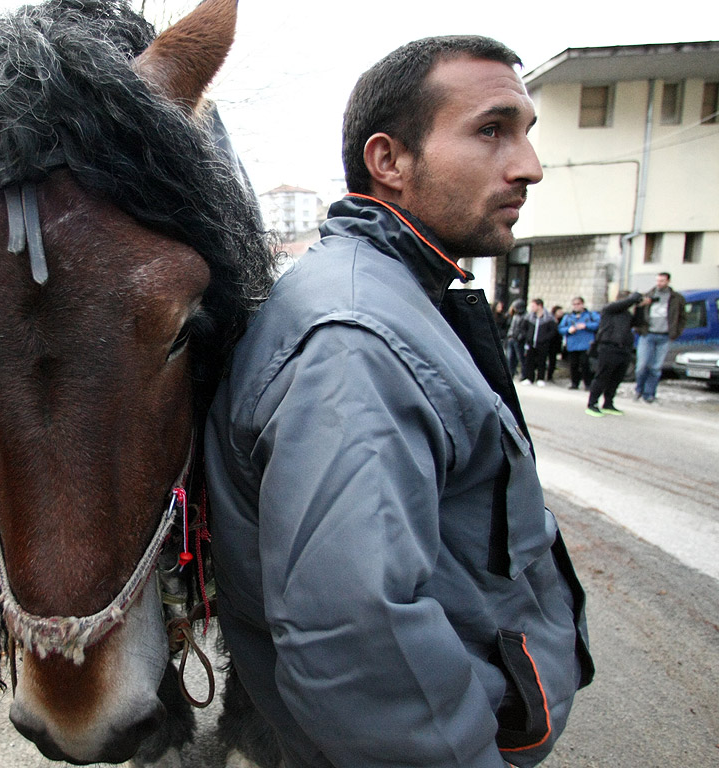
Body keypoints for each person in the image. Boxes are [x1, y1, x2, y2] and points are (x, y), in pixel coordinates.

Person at [206, 36, 593, 768]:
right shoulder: (357, 337)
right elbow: (357, 639)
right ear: (389, 161)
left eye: (526, 134)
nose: (529, 167)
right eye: (491, 130)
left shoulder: (389, 296)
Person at [586, 290, 642, 416]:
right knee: (602, 376)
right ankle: (592, 403)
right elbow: (622, 304)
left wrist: (640, 307)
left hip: (624, 349)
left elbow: (638, 323)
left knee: (616, 378)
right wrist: (633, 299)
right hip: (608, 347)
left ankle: (608, 403)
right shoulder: (609, 309)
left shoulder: (627, 315)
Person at [632, 272, 686, 403]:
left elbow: (682, 317)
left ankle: (649, 394)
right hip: (647, 334)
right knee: (642, 365)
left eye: (662, 281)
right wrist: (639, 327)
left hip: (664, 336)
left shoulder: (676, 298)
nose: (659, 283)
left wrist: (676, 332)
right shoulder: (648, 295)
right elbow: (636, 313)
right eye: (657, 281)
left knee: (656, 368)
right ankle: (639, 389)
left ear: (668, 281)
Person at [558, 297, 599, 390]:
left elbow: (598, 324)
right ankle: (574, 383)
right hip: (572, 345)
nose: (576, 306)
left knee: (585, 364)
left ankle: (587, 384)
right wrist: (568, 330)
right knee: (573, 365)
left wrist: (586, 326)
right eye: (574, 304)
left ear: (582, 304)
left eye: (578, 304)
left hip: (586, 344)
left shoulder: (591, 315)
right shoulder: (568, 317)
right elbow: (560, 328)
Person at [520, 298, 557, 386]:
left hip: (543, 343)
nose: (532, 308)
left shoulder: (548, 317)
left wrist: (545, 338)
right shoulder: (529, 316)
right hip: (531, 342)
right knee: (529, 360)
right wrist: (528, 337)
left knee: (542, 360)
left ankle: (540, 378)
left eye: (533, 306)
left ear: (539, 306)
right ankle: (529, 378)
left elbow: (553, 331)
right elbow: (523, 328)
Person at [504, 298, 527, 378]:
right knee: (510, 358)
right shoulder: (515, 316)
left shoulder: (525, 316)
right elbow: (512, 327)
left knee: (520, 358)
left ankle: (523, 375)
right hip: (511, 338)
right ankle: (510, 374)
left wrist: (519, 337)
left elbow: (524, 330)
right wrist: (510, 335)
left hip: (518, 340)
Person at [546, 304, 565, 381]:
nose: (561, 313)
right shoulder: (550, 319)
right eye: (559, 311)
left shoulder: (563, 320)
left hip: (557, 342)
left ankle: (550, 375)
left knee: (553, 360)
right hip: (549, 342)